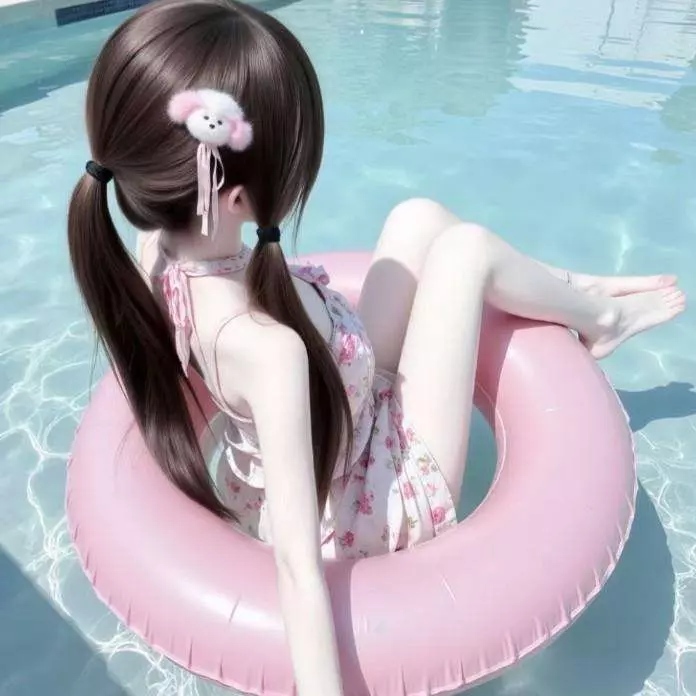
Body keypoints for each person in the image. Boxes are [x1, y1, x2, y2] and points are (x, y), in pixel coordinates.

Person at [66, 1, 686, 694]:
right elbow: (299, 571)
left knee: (418, 218)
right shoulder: (267, 352)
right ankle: (599, 318)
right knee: (466, 251)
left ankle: (575, 292)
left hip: (343, 402)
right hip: (371, 496)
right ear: (236, 198)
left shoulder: (155, 248)